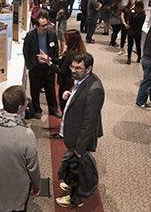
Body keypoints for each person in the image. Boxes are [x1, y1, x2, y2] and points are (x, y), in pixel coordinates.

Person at [55, 52, 105, 208]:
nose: (73, 70)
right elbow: (79, 99)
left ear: (89, 69)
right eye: (72, 67)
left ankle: (75, 199)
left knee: (79, 169)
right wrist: (68, 95)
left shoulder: (95, 89)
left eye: (78, 68)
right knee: (71, 164)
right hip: (73, 132)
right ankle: (70, 184)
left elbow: (89, 122)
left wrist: (80, 147)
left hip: (80, 138)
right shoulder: (81, 80)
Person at [0, 85, 40, 211]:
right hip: (16, 191)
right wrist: (36, 185)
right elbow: (33, 167)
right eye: (26, 100)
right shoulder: (26, 134)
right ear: (20, 107)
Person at [23, 10, 62, 119]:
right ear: (37, 26)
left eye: (47, 24)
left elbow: (55, 49)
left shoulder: (52, 34)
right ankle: (37, 110)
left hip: (48, 67)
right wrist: (29, 65)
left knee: (51, 90)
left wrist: (53, 61)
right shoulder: (30, 36)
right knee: (34, 90)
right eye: (43, 25)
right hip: (35, 67)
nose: (46, 27)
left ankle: (53, 110)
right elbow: (26, 51)